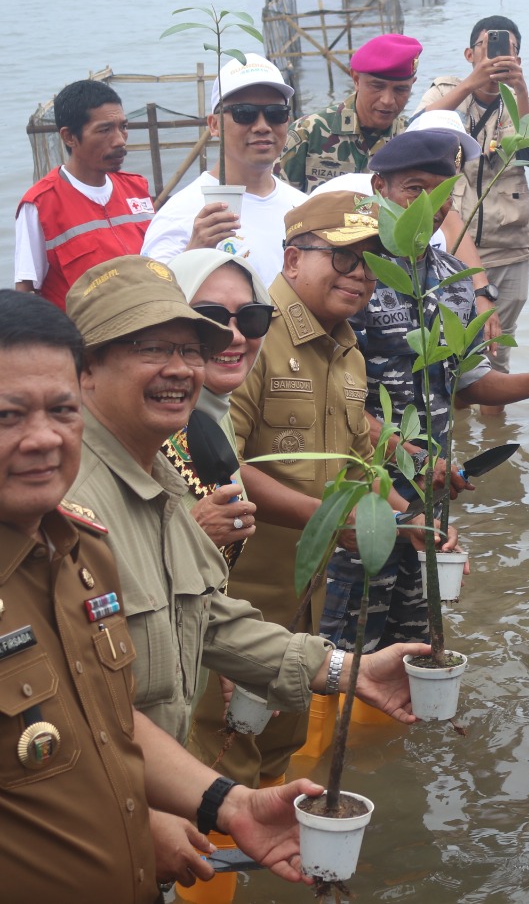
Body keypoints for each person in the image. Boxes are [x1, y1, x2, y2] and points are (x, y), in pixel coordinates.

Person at [61, 254, 425, 878]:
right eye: (152, 349)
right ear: (84, 367)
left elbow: (206, 617)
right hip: (89, 825)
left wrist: (345, 669)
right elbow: (66, 713)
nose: (181, 369)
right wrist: (142, 816)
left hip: (148, 788)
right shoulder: (62, 501)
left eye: (190, 349)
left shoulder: (165, 472)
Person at [0, 290, 327, 898]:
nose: (43, 438)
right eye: (8, 416)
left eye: (61, 411)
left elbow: (103, 717)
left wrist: (230, 807)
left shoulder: (75, 548)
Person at [180, 194, 441, 788]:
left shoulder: (345, 348)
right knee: (221, 748)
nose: (361, 277)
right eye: (344, 259)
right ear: (293, 259)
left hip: (307, 593)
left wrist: (407, 518)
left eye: (373, 264)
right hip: (238, 591)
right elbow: (219, 467)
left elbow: (351, 457)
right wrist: (327, 520)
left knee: (281, 739)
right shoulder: (247, 336)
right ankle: (209, 873)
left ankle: (265, 873)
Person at [324, 131, 529, 653]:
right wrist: (401, 452)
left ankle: (412, 733)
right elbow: (328, 400)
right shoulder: (353, 275)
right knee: (348, 644)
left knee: (418, 636)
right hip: (359, 487)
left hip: (430, 490)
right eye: (413, 190)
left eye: (443, 194)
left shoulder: (453, 279)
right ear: (378, 188)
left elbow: (465, 384)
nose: (430, 207)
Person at [416, 16, 529, 393]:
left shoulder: (525, 102)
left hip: (509, 246)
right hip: (449, 246)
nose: (501, 56)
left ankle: (490, 440)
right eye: (489, 47)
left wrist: (518, 93)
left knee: (495, 353)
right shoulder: (445, 91)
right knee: (445, 354)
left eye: (511, 50)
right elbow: (417, 132)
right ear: (470, 54)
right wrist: (472, 83)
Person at [142, 54, 306, 286]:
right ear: (214, 125)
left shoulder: (303, 207)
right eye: (244, 114)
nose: (262, 126)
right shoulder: (181, 216)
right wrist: (194, 252)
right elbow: (156, 303)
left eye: (275, 114)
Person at [161, 250, 269, 562]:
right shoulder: (144, 427)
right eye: (209, 318)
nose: (234, 336)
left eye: (250, 317)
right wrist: (193, 535)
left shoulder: (215, 411)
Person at [16, 79, 153, 307]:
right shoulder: (40, 205)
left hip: (148, 329)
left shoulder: (137, 188)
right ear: (69, 137)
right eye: (105, 130)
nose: (120, 140)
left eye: (123, 127)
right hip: (83, 339)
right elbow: (25, 295)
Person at [278, 32, 421, 193]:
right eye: (377, 86)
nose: (388, 100)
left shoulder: (410, 142)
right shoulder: (309, 133)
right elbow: (279, 198)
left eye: (401, 89)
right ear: (356, 79)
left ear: (412, 84)